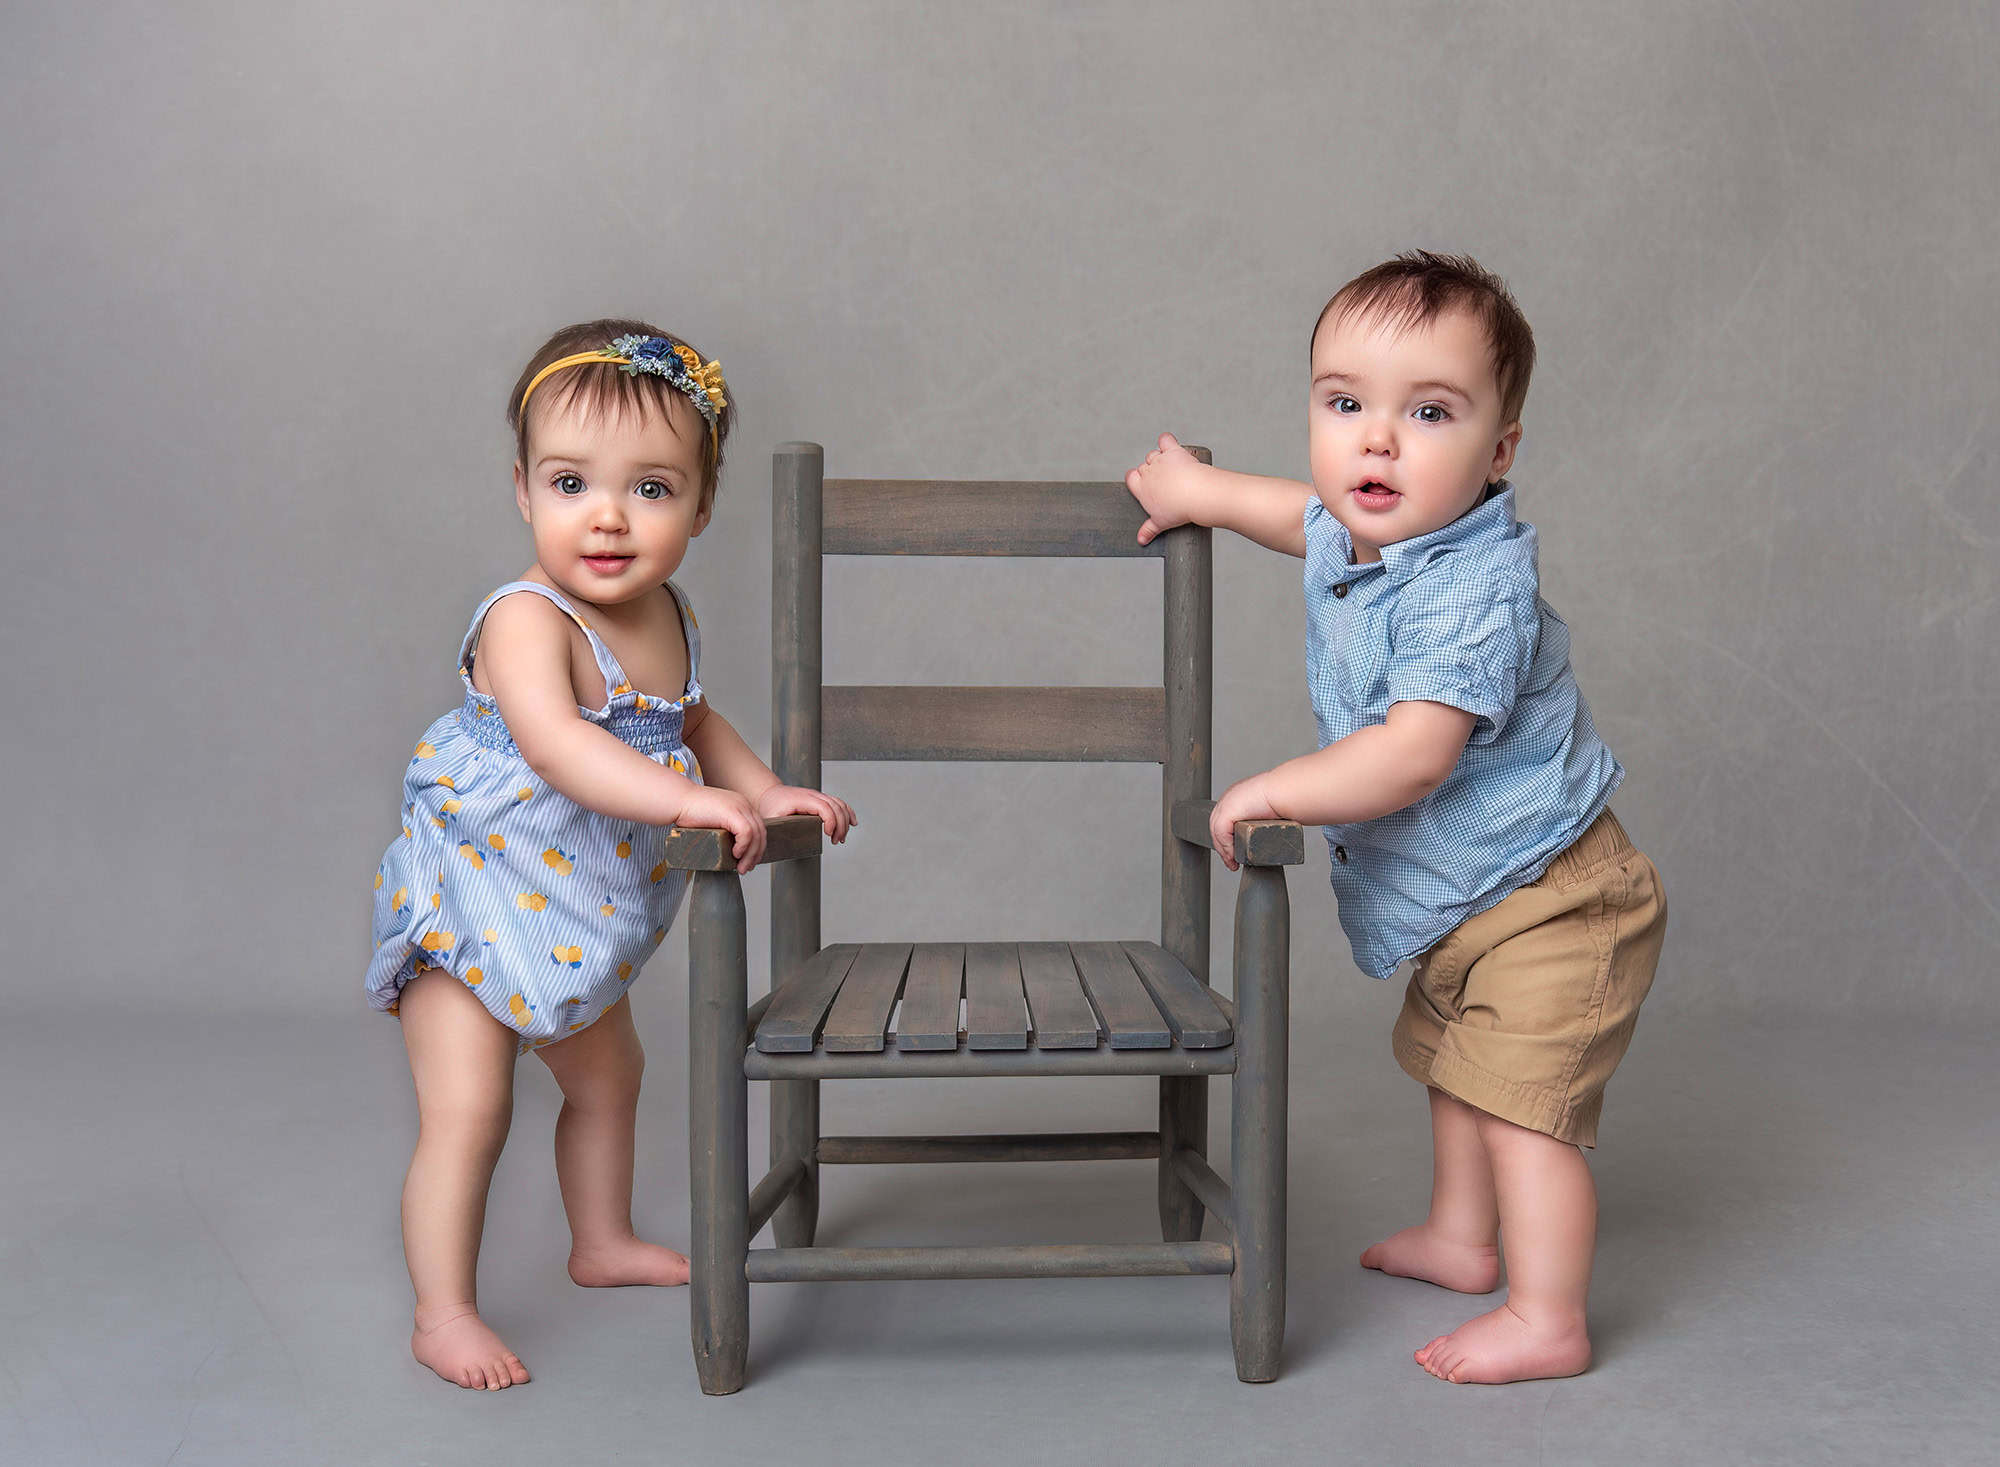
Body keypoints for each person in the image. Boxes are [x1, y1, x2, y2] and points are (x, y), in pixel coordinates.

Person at [1125, 253, 1666, 1385]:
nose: (1376, 440)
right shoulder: (1358, 526)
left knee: (1523, 1109)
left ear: (1498, 450)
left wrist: (1274, 787)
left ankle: (1547, 1312)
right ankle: (1461, 1242)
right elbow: (1294, 513)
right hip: (1467, 898)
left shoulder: (1476, 587)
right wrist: (1202, 497)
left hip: (1554, 896)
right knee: (1454, 1069)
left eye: (1427, 412)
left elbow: (1415, 757)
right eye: (1344, 404)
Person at [365, 320, 857, 1390]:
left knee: (611, 1080)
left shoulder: (666, 613)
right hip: (473, 900)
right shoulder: (523, 621)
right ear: (521, 489)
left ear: (701, 505)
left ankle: (599, 1241)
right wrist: (696, 802)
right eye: (570, 481)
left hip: (576, 915)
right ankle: (441, 1312)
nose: (606, 516)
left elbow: (689, 720)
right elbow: (563, 748)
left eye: (651, 489)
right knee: (470, 1110)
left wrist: (764, 788)